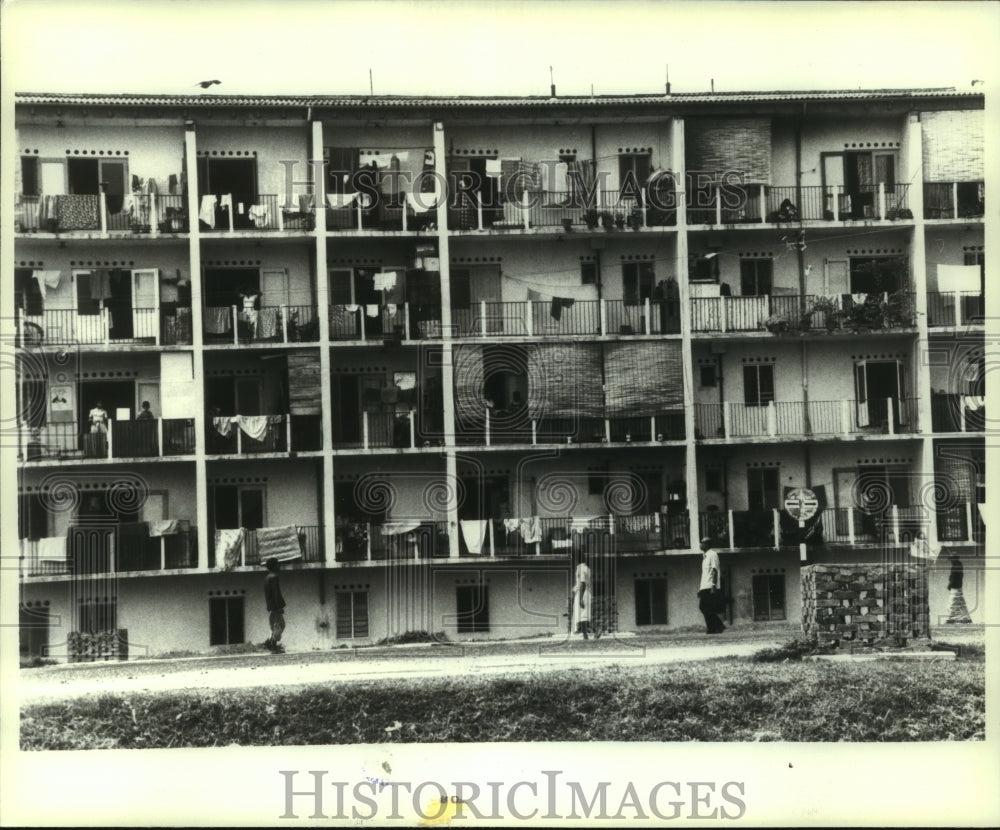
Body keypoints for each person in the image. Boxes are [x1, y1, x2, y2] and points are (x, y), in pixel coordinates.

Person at [698, 536, 725, 634]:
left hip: (710, 585)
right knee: (705, 607)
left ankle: (716, 626)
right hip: (705, 586)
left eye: (703, 542)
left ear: (708, 544)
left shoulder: (712, 554)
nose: (701, 544)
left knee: (705, 607)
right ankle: (714, 627)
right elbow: (705, 574)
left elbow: (714, 570)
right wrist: (700, 588)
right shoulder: (704, 557)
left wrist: (713, 585)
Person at [262, 557, 286, 653]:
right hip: (275, 606)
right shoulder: (274, 577)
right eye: (277, 564)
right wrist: (279, 607)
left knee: (276, 625)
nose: (279, 566)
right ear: (274, 566)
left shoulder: (267, 577)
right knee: (280, 625)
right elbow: (276, 593)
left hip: (271, 606)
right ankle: (272, 645)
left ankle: (271, 643)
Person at [571, 560, 593, 639]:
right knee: (583, 615)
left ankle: (591, 632)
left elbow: (583, 583)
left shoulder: (580, 568)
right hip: (585, 592)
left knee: (582, 615)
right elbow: (581, 583)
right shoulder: (587, 568)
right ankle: (585, 635)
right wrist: (575, 588)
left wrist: (580, 598)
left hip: (582, 593)